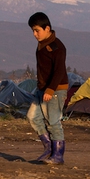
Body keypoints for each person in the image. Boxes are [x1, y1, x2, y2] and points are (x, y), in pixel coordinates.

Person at [27, 12, 68, 165]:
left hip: (55, 90)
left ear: (47, 28)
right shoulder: (41, 46)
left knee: (53, 121)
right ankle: (49, 147)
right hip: (41, 89)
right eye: (33, 31)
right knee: (33, 116)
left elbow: (59, 71)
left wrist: (50, 90)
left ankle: (58, 155)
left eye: (37, 30)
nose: (34, 34)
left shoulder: (57, 47)